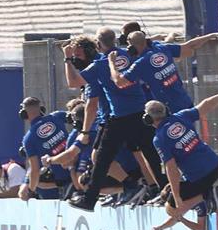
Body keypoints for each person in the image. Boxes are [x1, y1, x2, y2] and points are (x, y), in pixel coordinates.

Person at [63, 29, 167, 212]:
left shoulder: (101, 65)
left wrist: (68, 58)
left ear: (98, 45)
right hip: (141, 112)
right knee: (150, 154)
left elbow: (73, 82)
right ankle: (165, 191)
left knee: (102, 159)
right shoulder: (129, 55)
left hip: (119, 116)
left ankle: (90, 199)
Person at [145, 84, 218, 219]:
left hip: (200, 176)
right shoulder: (181, 116)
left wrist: (177, 197)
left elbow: (171, 168)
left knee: (171, 208)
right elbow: (206, 105)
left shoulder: (159, 139)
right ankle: (208, 196)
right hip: (215, 166)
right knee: (173, 191)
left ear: (148, 119)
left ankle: (211, 196)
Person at [112, 30, 216, 113]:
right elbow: (189, 46)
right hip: (184, 100)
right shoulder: (161, 48)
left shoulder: (140, 64)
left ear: (132, 47)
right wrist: (209, 36)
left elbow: (120, 82)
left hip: (168, 109)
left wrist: (111, 63)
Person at [17, 96, 71, 200]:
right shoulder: (57, 116)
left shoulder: (28, 139)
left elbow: (35, 169)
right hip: (75, 168)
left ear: (24, 114)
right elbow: (78, 115)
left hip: (61, 179)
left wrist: (31, 190)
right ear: (41, 109)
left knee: (39, 182)